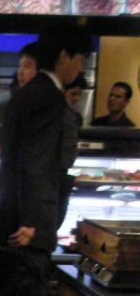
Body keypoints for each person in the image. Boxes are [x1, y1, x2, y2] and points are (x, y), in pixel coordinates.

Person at [0, 25, 92, 274]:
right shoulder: (50, 97)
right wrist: (34, 221)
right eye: (80, 59)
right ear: (64, 56)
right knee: (24, 290)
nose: (80, 68)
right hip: (24, 226)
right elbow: (38, 161)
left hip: (5, 212)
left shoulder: (24, 93)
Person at [58, 74, 88, 228]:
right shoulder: (68, 115)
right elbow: (68, 152)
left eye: (79, 95)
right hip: (58, 177)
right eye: (73, 94)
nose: (76, 99)